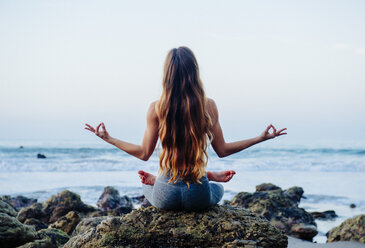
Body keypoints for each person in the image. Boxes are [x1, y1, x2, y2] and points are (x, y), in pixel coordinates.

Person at [85, 46, 286, 211]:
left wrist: (108, 138)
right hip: (197, 194)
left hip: (166, 195)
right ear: (194, 72)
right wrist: (260, 138)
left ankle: (162, 178)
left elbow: (144, 153)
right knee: (218, 189)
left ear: (167, 75)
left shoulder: (156, 108)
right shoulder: (208, 106)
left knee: (147, 188)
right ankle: (208, 176)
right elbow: (223, 150)